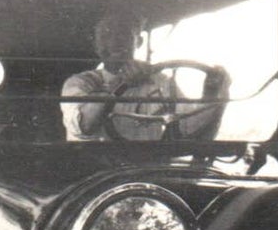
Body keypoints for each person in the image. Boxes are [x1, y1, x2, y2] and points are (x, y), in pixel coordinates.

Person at [62, 9, 230, 142]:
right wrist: (119, 85)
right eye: (105, 35)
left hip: (148, 168)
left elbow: (188, 129)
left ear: (138, 42)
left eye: (123, 35)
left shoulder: (162, 82)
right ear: (95, 44)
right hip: (100, 170)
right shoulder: (80, 83)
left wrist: (213, 93)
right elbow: (84, 126)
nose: (114, 42)